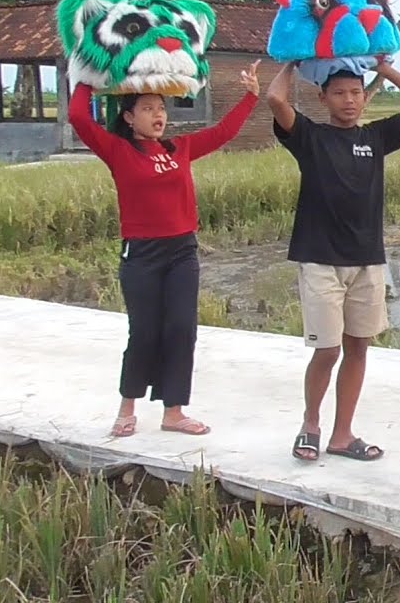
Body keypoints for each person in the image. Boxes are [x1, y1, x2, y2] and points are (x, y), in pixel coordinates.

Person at [67, 62, 263, 439]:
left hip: (182, 251)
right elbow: (78, 115)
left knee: (180, 329)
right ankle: (127, 408)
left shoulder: (180, 148)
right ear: (129, 116)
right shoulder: (119, 150)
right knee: (143, 331)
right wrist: (87, 75)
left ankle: (174, 412)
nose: (158, 115)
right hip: (141, 253)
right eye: (147, 109)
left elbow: (224, 132)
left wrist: (251, 95)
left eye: (161, 108)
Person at [267, 59, 400, 462]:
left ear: (366, 97)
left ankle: (343, 436)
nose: (349, 101)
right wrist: (295, 60)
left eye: (357, 93)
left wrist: (385, 68)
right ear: (322, 97)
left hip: (367, 259)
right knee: (327, 349)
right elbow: (274, 97)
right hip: (321, 259)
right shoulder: (310, 135)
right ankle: (311, 425)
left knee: (358, 346)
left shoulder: (376, 136)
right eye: (340, 93)